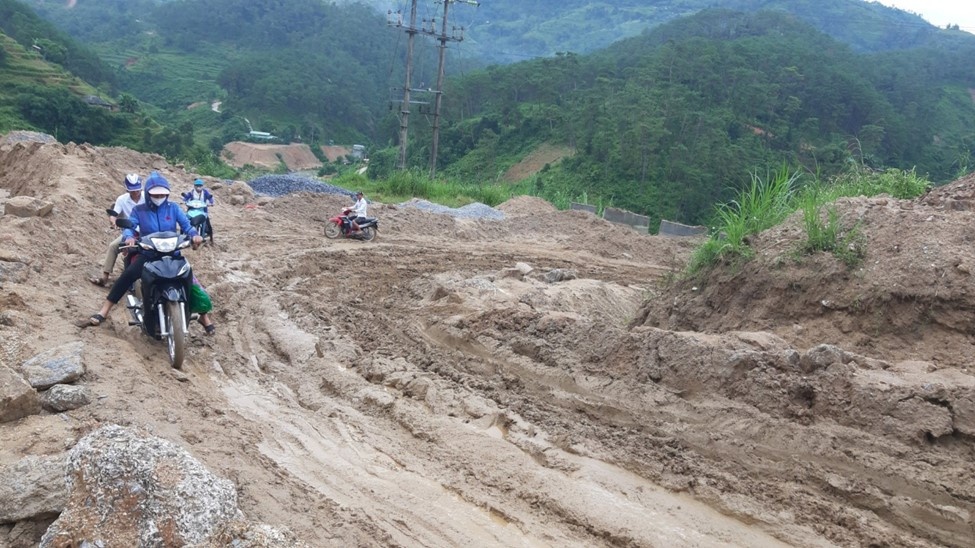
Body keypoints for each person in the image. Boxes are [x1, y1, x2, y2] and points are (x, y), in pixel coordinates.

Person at [84, 171, 207, 330]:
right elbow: (130, 226)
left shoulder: (173, 208)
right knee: (127, 276)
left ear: (167, 194)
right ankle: (104, 310)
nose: (159, 197)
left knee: (190, 278)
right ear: (148, 194)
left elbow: (187, 226)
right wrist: (129, 237)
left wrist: (195, 235)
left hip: (173, 254)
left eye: (162, 194)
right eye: (155, 195)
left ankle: (204, 316)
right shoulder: (139, 210)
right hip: (149, 255)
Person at [89, 174, 144, 287]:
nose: (135, 192)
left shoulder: (147, 198)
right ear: (127, 190)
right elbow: (114, 214)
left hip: (147, 231)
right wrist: (113, 221)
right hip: (129, 231)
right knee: (113, 246)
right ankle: (105, 277)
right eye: (132, 190)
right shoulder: (122, 199)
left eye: (137, 190)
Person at [181, 178, 215, 242]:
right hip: (192, 209)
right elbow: (186, 197)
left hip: (202, 210)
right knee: (184, 220)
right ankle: (182, 235)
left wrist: (211, 202)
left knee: (208, 223)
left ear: (202, 186)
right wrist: (184, 200)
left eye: (200, 186)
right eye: (197, 186)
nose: (198, 187)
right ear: (194, 186)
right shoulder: (191, 192)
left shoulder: (205, 192)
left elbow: (210, 197)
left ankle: (210, 237)